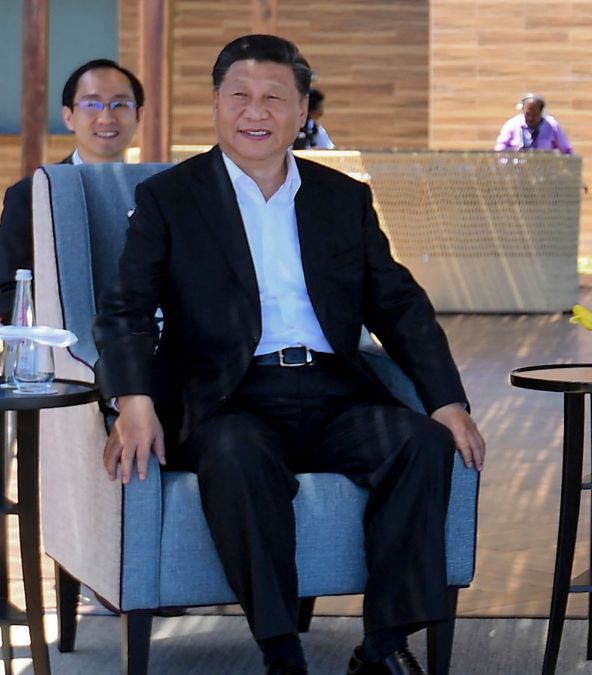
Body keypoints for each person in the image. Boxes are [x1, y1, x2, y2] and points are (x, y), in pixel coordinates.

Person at [94, 35, 485, 675]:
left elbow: (398, 306)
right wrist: (132, 401)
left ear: (302, 110)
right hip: (228, 398)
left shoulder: (342, 198)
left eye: (275, 98)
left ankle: (383, 646)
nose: (256, 112)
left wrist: (447, 402)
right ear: (217, 106)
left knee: (423, 445)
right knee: (239, 459)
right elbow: (125, 307)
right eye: (239, 96)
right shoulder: (171, 198)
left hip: (334, 391)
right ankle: (281, 651)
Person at [0, 58, 144, 319]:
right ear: (68, 116)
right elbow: (8, 291)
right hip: (58, 346)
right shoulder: (31, 194)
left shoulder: (158, 191)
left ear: (139, 115)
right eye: (92, 104)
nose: (106, 117)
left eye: (120, 104)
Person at [494, 93, 573, 154]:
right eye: (528, 114)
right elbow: (500, 148)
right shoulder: (512, 125)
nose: (530, 118)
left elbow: (566, 150)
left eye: (534, 115)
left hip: (544, 169)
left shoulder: (552, 126)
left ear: (541, 112)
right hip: (517, 169)